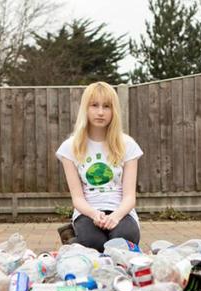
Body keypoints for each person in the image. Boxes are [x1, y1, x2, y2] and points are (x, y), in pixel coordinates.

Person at [56, 81, 143, 252]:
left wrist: (115, 217)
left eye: (107, 106)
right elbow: (78, 199)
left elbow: (129, 197)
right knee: (92, 243)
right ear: (85, 109)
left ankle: (76, 243)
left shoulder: (128, 144)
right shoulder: (70, 147)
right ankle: (74, 239)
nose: (101, 112)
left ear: (114, 111)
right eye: (94, 105)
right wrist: (94, 214)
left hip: (121, 212)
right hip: (87, 212)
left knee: (123, 240)